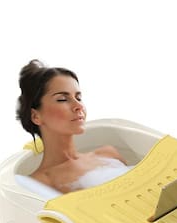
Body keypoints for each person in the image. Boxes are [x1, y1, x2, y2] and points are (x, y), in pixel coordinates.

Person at [16, 59, 129, 193]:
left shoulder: (109, 154)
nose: (79, 106)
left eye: (78, 98)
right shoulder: (39, 183)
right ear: (36, 116)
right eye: (62, 99)